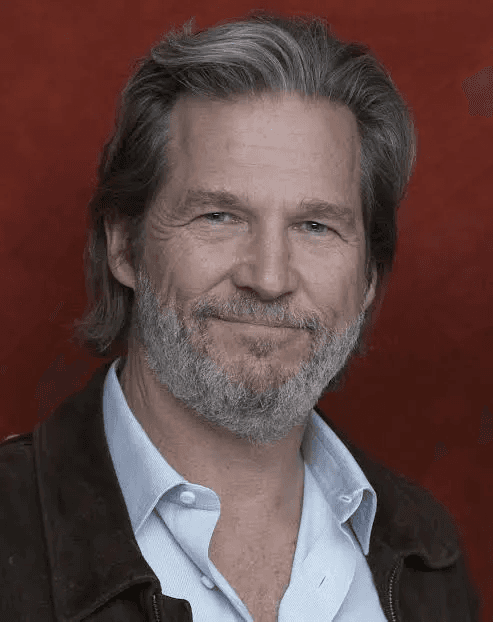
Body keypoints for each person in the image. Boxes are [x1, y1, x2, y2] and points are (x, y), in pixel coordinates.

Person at [0, 10, 480, 622]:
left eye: (315, 226)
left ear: (368, 280)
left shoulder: (426, 555)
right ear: (124, 247)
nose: (269, 278)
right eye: (219, 217)